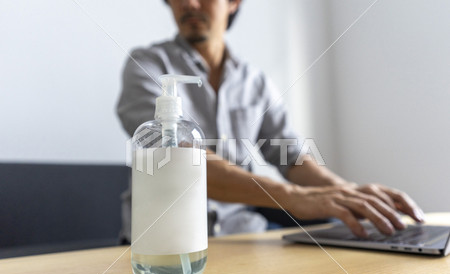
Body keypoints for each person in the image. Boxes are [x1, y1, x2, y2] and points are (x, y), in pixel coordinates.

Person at [116, 0, 425, 244]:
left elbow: (291, 157)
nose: (190, 3)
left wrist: (352, 195)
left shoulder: (255, 82)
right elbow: (178, 158)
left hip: (244, 237)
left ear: (234, 1)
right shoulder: (147, 65)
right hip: (164, 244)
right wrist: (294, 198)